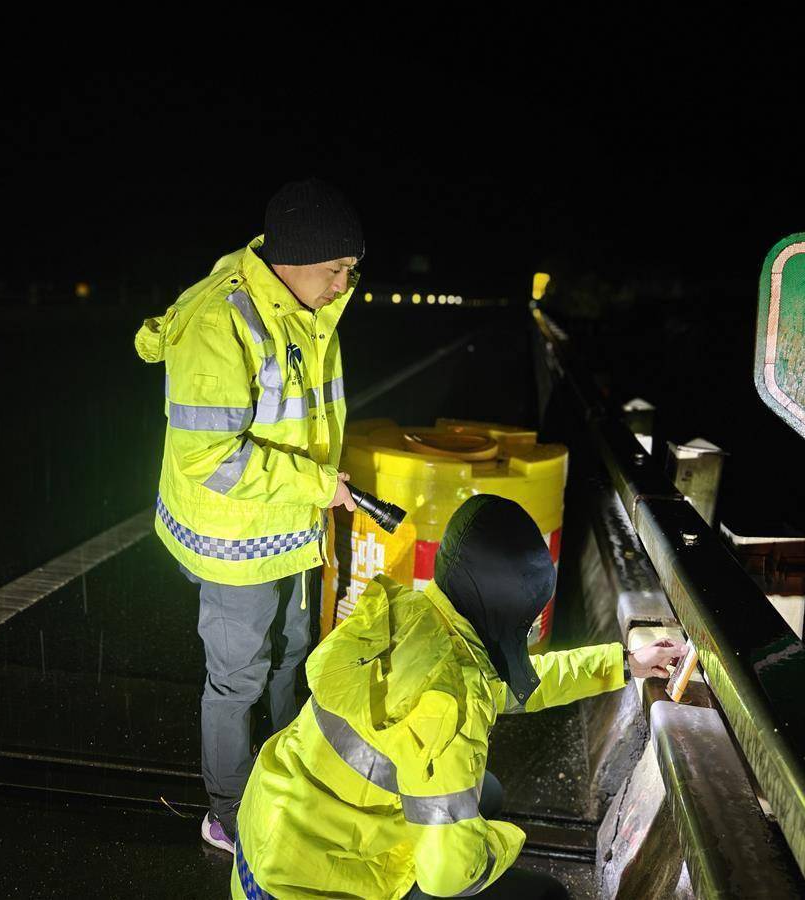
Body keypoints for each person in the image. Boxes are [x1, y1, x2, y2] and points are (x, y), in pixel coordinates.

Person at [231, 494, 686, 899]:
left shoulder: (408, 615)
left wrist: (622, 663)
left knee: (483, 793)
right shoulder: (451, 705)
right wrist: (502, 843)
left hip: (263, 848)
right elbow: (447, 877)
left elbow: (511, 684)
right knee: (545, 894)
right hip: (313, 888)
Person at [133, 178, 363, 853]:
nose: (346, 282)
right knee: (237, 679)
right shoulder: (221, 321)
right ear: (294, 259)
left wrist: (314, 491)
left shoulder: (306, 305)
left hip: (289, 524)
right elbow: (210, 457)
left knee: (292, 655)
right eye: (337, 269)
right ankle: (229, 813)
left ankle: (295, 777)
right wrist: (316, 484)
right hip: (236, 537)